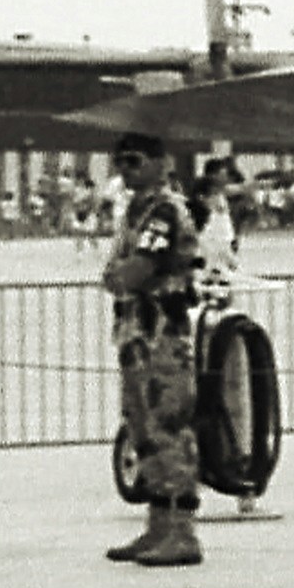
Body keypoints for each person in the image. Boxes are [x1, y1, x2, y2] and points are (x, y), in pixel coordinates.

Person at [99, 134, 212, 566]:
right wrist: (118, 276)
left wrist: (120, 276)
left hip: (163, 334)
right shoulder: (135, 210)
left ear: (161, 163)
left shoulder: (165, 211)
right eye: (121, 162)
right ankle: (158, 523)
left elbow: (135, 271)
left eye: (135, 161)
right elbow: (116, 272)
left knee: (169, 425)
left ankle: (182, 531)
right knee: (141, 427)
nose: (126, 170)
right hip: (135, 333)